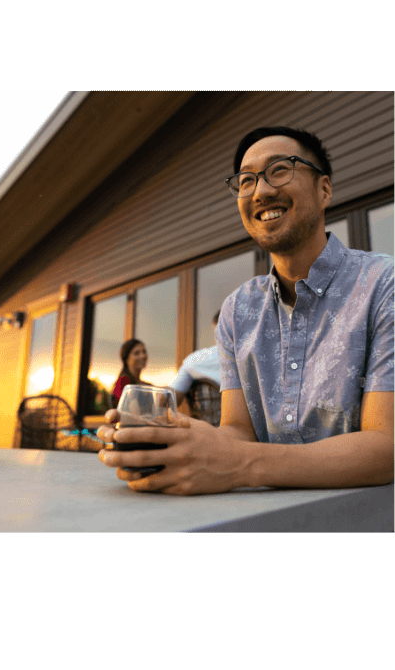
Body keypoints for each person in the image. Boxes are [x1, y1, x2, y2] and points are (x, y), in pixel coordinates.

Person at [97, 126, 394, 495]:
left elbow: (387, 447)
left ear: (325, 190)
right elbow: (237, 431)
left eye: (280, 169)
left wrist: (239, 464)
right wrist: (187, 441)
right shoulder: (239, 309)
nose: (262, 190)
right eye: (247, 180)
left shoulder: (384, 283)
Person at [169, 311, 221, 409]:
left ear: (215, 327)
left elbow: (171, 401)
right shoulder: (253, 360)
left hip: (208, 421)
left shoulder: (195, 361)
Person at [108, 339, 152, 409]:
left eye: (144, 351)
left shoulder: (146, 385)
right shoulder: (122, 383)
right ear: (126, 359)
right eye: (136, 353)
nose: (143, 356)